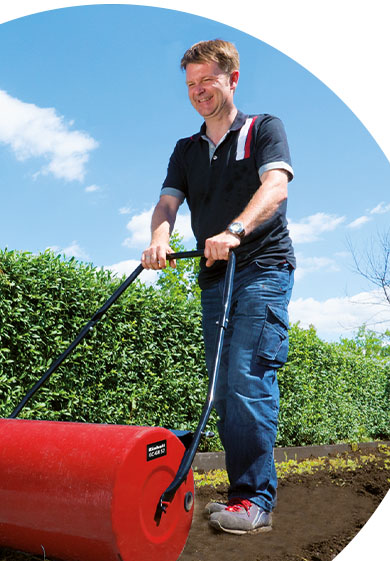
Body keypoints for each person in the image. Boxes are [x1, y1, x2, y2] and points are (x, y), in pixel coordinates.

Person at [141, 39, 295, 534]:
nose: (198, 91)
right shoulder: (185, 150)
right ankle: (240, 495)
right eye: (190, 83)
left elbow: (275, 187)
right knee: (223, 391)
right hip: (215, 276)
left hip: (262, 268)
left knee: (248, 381)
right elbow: (167, 205)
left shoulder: (261, 130)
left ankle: (256, 501)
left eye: (207, 80)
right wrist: (159, 240)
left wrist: (234, 231)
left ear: (231, 79)